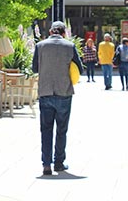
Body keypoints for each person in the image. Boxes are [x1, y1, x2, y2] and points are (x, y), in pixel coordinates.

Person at [32, 21, 83, 176]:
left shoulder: (40, 46)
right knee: (62, 130)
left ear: (50, 31)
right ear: (63, 33)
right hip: (64, 92)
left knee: (46, 129)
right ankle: (59, 163)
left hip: (45, 91)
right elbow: (79, 69)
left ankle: (46, 164)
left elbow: (34, 68)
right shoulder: (69, 46)